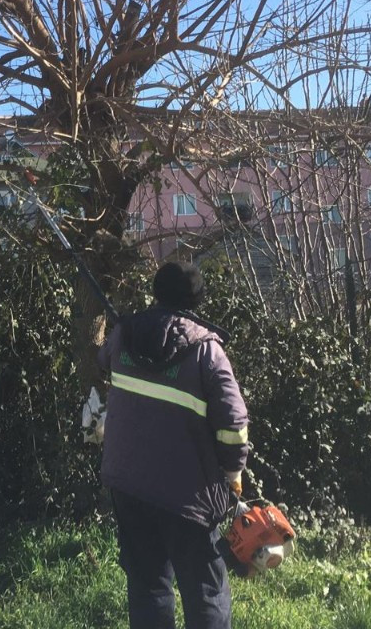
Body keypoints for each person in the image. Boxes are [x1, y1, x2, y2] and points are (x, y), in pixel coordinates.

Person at [98, 261, 250, 629]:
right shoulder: (206, 352)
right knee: (205, 591)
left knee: (148, 586)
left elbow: (103, 361)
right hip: (189, 496)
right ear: (197, 300)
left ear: (156, 291)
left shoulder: (123, 335)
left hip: (128, 485)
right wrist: (233, 474)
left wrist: (123, 330)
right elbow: (234, 425)